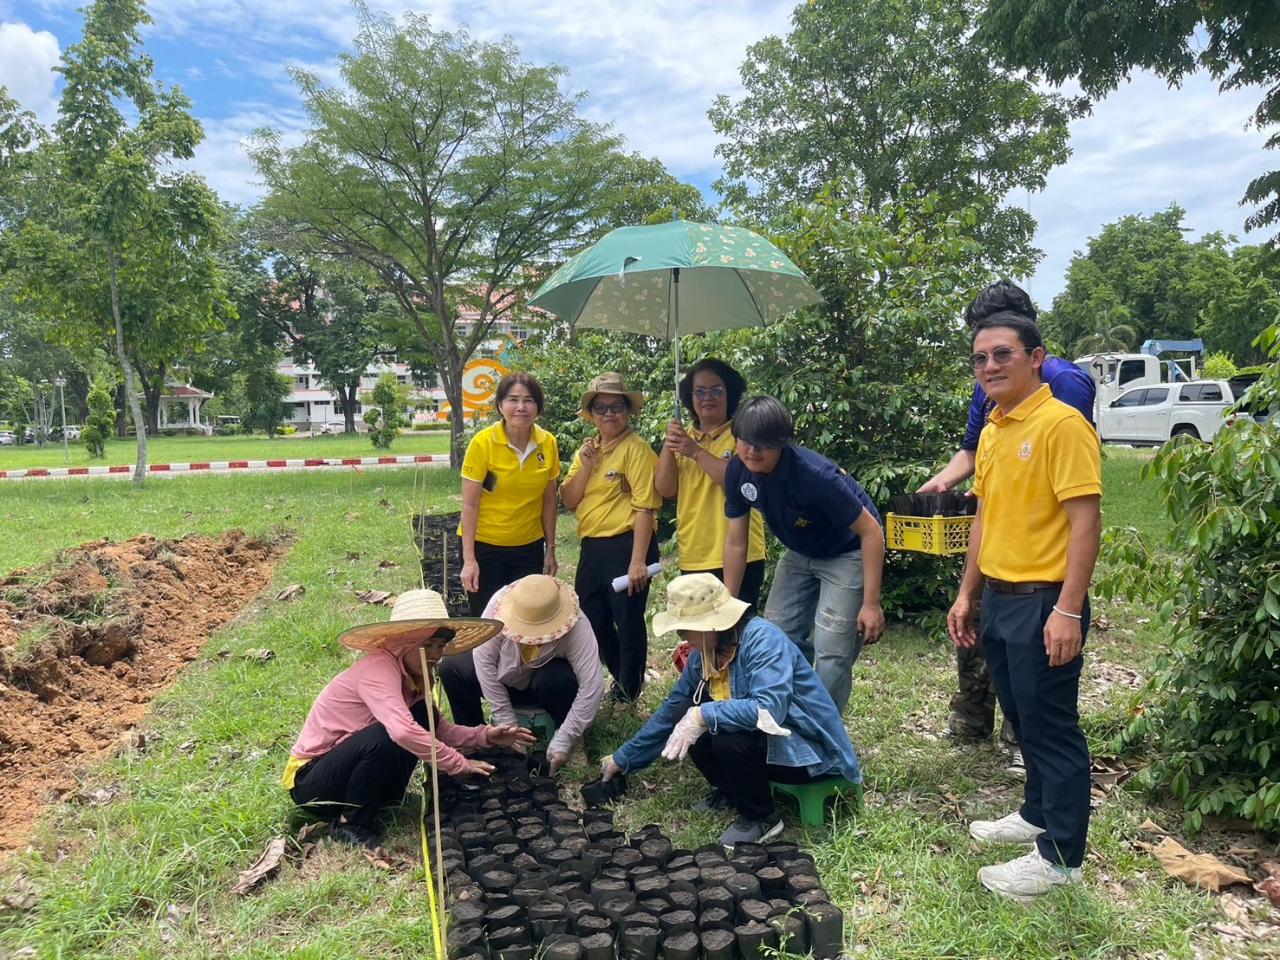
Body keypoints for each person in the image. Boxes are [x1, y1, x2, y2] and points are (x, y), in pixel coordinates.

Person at [946, 312, 1101, 901]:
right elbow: (985, 517)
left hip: (1045, 601)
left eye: (1002, 354)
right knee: (1022, 716)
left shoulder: (1062, 425)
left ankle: (1061, 858)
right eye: (980, 358)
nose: (989, 367)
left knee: (1052, 726)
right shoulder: (992, 428)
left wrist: (1067, 609)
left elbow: (1086, 523)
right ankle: (1037, 812)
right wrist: (968, 592)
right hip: (1000, 599)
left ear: (1037, 358)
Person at [920, 282, 1095, 745]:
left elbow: (1063, 465)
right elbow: (974, 450)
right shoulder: (989, 387)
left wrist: (1069, 607)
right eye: (978, 346)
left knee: (1038, 677)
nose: (987, 360)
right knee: (977, 629)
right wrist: (944, 482)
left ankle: (1026, 743)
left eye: (997, 345)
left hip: (1040, 552)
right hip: (994, 533)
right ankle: (975, 719)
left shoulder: (1064, 384)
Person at [600, 573, 862, 847]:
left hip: (808, 752)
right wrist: (624, 759)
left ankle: (762, 817)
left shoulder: (763, 640)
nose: (682, 638)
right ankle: (732, 792)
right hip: (769, 746)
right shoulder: (704, 653)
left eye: (684, 629)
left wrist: (703, 715)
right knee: (691, 722)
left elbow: (768, 711)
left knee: (722, 732)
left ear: (710, 624)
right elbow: (673, 709)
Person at [283, 589, 535, 849]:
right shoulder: (378, 670)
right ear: (405, 644)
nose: (436, 655)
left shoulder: (414, 674)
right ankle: (351, 824)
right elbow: (401, 732)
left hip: (345, 769)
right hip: (312, 781)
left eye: (440, 646)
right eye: (427, 646)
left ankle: (381, 798)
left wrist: (485, 736)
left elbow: (439, 729)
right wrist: (458, 763)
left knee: (421, 717)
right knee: (386, 735)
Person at [722, 396, 885, 715]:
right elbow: (736, 542)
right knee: (776, 634)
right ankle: (787, 717)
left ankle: (824, 731)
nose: (752, 451)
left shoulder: (816, 476)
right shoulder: (737, 472)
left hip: (848, 551)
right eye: (745, 442)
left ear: (781, 443)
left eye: (763, 445)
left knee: (833, 649)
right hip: (799, 552)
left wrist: (871, 603)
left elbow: (871, 532)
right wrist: (727, 602)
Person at [441, 372, 560, 726]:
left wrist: (550, 549)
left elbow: (549, 502)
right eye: (513, 400)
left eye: (528, 400)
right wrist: (470, 559)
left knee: (526, 623)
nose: (520, 407)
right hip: (486, 547)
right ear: (499, 406)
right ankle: (477, 718)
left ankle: (519, 698)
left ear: (537, 406)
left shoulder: (547, 443)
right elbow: (470, 505)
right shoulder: (483, 443)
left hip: (527, 547)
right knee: (489, 628)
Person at [560, 372, 662, 703]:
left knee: (628, 622)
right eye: (600, 408)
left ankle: (628, 693)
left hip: (628, 544)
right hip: (592, 548)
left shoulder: (638, 450)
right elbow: (570, 500)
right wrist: (587, 466)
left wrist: (637, 561)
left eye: (616, 406)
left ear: (627, 410)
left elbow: (646, 507)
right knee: (592, 619)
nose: (608, 414)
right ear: (590, 414)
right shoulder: (587, 451)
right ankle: (621, 682)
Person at [655, 358, 767, 611]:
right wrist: (670, 443)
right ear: (689, 397)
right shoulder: (684, 440)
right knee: (702, 638)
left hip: (742, 553)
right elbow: (665, 490)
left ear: (730, 393)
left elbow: (742, 485)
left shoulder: (744, 435)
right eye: (700, 391)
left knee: (739, 633)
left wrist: (695, 452)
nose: (708, 397)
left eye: (716, 390)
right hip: (695, 551)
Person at [471, 575, 605, 775]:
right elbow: (483, 661)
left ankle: (574, 741)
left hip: (544, 685)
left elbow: (593, 685)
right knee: (453, 668)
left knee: (558, 679)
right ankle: (475, 738)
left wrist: (566, 737)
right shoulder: (498, 608)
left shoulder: (577, 625)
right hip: (504, 678)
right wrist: (507, 723)